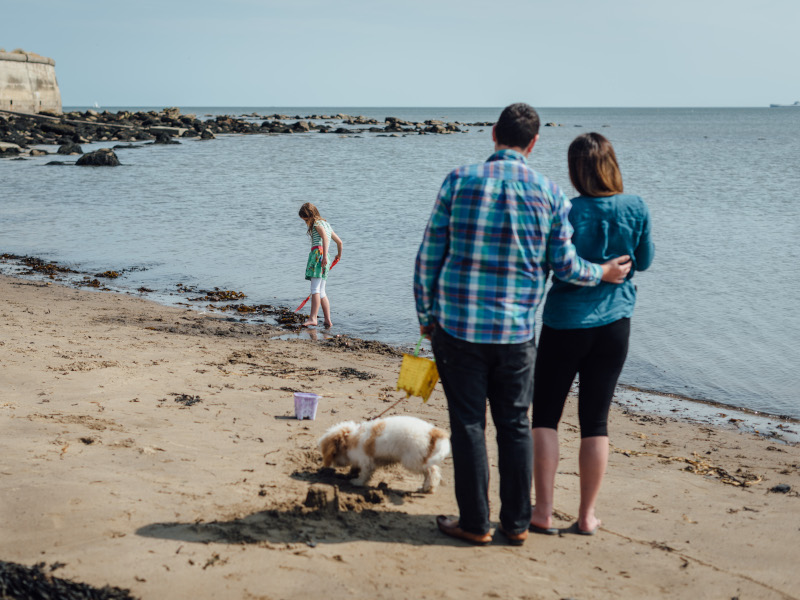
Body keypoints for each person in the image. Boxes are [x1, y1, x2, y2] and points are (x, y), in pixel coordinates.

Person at [413, 104, 632, 546]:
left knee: (469, 425)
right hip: (515, 333)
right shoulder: (550, 193)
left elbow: (428, 257)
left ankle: (475, 523)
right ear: (533, 143)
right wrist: (603, 273)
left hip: (457, 327)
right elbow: (566, 266)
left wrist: (426, 318)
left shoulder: (458, 180)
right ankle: (515, 524)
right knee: (513, 424)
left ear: (494, 133)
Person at [530, 132, 655, 537]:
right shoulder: (635, 206)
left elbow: (551, 264)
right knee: (595, 422)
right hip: (615, 323)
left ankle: (544, 512)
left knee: (546, 416)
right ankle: (586, 516)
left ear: (575, 169)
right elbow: (646, 260)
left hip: (565, 322)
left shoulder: (566, 210)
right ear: (612, 164)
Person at [298, 202, 343, 328]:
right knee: (322, 291)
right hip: (325, 257)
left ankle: (313, 318)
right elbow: (340, 242)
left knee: (315, 289)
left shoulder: (317, 223)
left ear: (310, 216)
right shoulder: (326, 224)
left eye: (305, 219)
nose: (305, 222)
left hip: (318, 255)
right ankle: (328, 320)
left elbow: (325, 238)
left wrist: (323, 256)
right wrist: (338, 255)